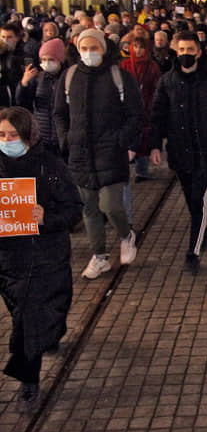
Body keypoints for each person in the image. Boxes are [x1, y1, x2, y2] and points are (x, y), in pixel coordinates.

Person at [0, 107, 83, 408]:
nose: (7, 140)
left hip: (45, 257)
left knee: (29, 319)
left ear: (28, 135)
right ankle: (49, 334)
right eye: (1, 135)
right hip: (9, 259)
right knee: (25, 314)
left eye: (13, 135)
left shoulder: (50, 167)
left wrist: (46, 217)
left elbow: (74, 210)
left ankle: (28, 381)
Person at [53, 28, 144, 280]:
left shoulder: (119, 77)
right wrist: (66, 138)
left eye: (94, 48)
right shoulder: (70, 77)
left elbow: (136, 115)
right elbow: (59, 113)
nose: (89, 53)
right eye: (85, 48)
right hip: (80, 155)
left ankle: (126, 235)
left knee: (111, 205)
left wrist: (120, 140)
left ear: (104, 49)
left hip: (110, 153)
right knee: (90, 208)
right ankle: (100, 256)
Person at [148, 30, 207, 274]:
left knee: (200, 202)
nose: (186, 54)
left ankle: (193, 253)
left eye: (190, 50)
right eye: (182, 50)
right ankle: (202, 231)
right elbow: (158, 116)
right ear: (176, 51)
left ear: (199, 52)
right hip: (180, 152)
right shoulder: (167, 82)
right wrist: (155, 144)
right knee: (191, 199)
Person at [120, 36, 161, 182]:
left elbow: (156, 87)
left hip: (147, 106)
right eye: (135, 47)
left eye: (141, 47)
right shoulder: (125, 65)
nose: (138, 50)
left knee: (144, 138)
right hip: (128, 108)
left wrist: (152, 104)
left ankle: (142, 171)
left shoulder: (152, 66)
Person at [15, 38, 65, 154]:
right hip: (42, 135)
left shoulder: (67, 77)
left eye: (51, 59)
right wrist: (24, 83)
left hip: (61, 137)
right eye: (43, 59)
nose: (47, 63)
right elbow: (22, 102)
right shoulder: (38, 78)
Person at [0, 22, 25, 107]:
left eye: (9, 37)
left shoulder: (24, 56)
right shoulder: (1, 55)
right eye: (3, 37)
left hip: (18, 100)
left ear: (17, 38)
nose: (5, 40)